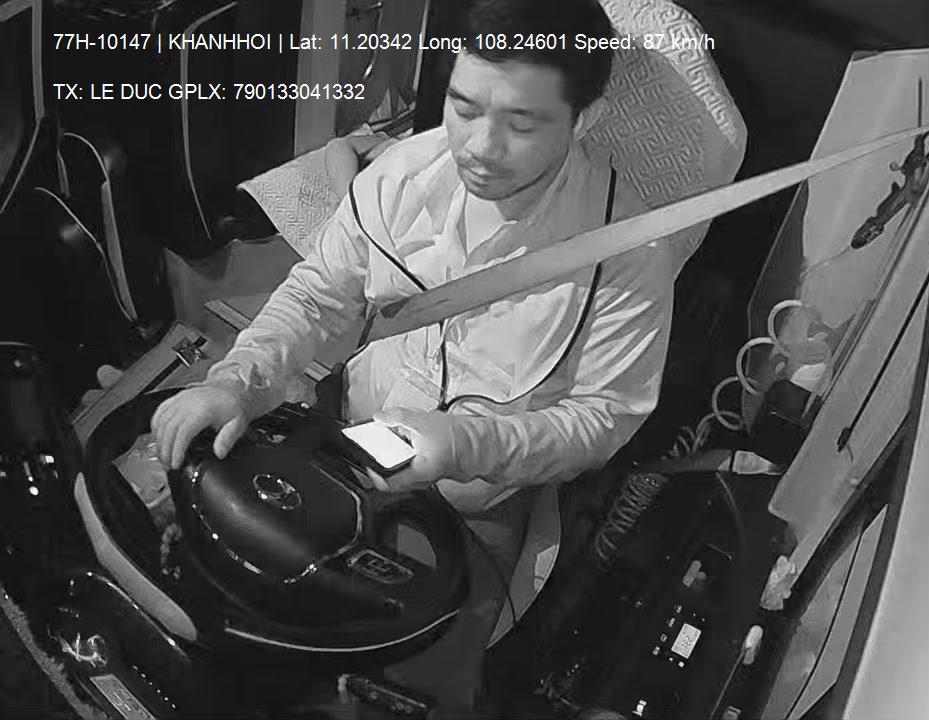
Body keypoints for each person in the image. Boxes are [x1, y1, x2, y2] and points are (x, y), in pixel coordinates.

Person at [150, 0, 679, 712]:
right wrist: (237, 383)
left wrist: (463, 443)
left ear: (585, 120)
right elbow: (320, 295)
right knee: (227, 597)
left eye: (521, 124)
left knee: (404, 689)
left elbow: (602, 419)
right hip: (343, 441)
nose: (479, 148)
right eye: (463, 106)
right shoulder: (401, 175)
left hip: (476, 501)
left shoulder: (630, 254)